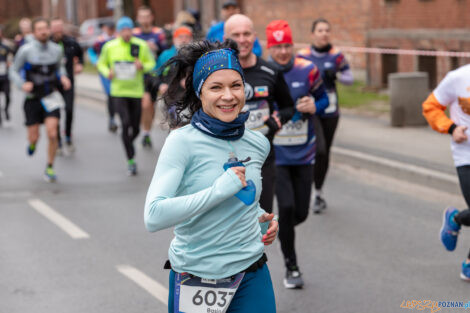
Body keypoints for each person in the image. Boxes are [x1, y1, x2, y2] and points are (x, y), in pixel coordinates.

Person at [144, 39, 278, 313]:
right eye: (216, 87)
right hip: (196, 277)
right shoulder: (181, 142)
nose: (228, 96)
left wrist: (260, 218)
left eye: (235, 85)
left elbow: (242, 199)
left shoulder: (257, 143)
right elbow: (154, 216)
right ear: (199, 92)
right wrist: (218, 190)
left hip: (251, 270)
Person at [266, 20, 329, 289]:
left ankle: (285, 228)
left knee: (300, 213)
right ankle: (291, 265)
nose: (282, 52)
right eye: (277, 46)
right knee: (287, 207)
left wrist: (315, 105)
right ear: (270, 47)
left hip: (304, 153)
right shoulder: (265, 73)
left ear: (293, 45)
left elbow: (324, 99)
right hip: (276, 155)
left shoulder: (308, 69)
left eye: (287, 46)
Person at [224, 14, 295, 214]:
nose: (242, 39)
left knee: (262, 216)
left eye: (246, 33)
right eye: (235, 34)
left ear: (254, 36)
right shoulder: (219, 72)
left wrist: (278, 119)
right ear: (225, 38)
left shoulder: (270, 71)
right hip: (226, 158)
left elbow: (288, 107)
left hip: (262, 157)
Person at [297, 18, 353, 214]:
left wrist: (335, 75)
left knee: (325, 152)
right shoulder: (302, 55)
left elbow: (350, 79)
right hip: (311, 109)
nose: (324, 34)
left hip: (331, 111)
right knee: (318, 150)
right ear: (313, 34)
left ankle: (318, 192)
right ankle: (305, 186)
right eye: (320, 30)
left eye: (327, 30)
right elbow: (295, 75)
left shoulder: (336, 56)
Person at [422, 64, 470, 281]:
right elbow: (431, 107)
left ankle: (457, 219)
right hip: (466, 157)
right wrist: (451, 128)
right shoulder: (458, 78)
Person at [10, 17, 71, 182]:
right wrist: (22, 84)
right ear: (34, 32)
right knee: (34, 136)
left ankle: (49, 167)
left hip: (51, 96)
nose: (43, 31)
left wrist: (64, 77)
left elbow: (60, 67)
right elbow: (13, 71)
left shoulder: (56, 50)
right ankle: (32, 143)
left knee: (52, 133)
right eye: (39, 29)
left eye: (46, 28)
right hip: (32, 98)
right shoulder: (25, 50)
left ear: (49, 30)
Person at [97, 17, 155, 175]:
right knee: (125, 123)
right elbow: (101, 63)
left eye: (129, 29)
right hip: (118, 91)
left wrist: (142, 66)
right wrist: (106, 72)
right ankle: (131, 159)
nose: (126, 33)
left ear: (132, 30)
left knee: (135, 127)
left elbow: (151, 63)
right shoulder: (110, 46)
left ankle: (129, 144)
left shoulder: (141, 45)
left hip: (136, 91)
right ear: (118, 31)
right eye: (123, 30)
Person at [133, 5, 168, 148]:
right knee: (146, 104)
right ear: (138, 18)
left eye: (147, 16)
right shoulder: (134, 34)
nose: (145, 20)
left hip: (155, 74)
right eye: (142, 17)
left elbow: (166, 52)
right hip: (140, 75)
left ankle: (148, 131)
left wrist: (156, 48)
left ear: (152, 17)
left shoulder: (159, 33)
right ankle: (146, 132)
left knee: (152, 105)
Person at [50, 17, 83, 153]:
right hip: (52, 84)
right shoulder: (48, 44)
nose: (57, 30)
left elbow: (80, 55)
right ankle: (57, 140)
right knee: (55, 112)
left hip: (68, 82)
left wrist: (80, 64)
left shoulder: (71, 42)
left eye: (59, 27)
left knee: (69, 110)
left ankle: (68, 135)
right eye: (55, 28)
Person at [87, 21, 117, 132]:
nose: (110, 30)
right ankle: (112, 118)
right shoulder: (99, 41)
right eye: (108, 28)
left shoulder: (117, 38)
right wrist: (96, 61)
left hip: (118, 71)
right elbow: (91, 52)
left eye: (112, 28)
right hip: (105, 71)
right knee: (110, 94)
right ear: (104, 28)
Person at [0, 25, 13, 127]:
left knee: (8, 95)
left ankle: (6, 109)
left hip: (5, 76)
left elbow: (12, 57)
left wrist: (10, 62)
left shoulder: (5, 46)